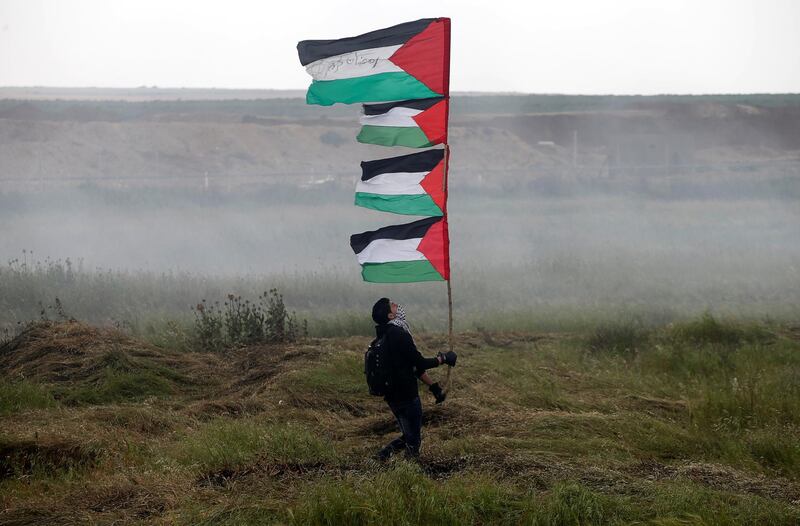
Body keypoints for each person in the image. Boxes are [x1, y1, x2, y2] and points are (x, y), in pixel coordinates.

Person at [371, 297, 457, 461]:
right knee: (413, 441)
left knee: (408, 435)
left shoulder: (383, 334)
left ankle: (381, 458)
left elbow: (411, 366)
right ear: (390, 316)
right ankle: (410, 471)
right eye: (393, 305)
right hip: (407, 396)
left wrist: (433, 387)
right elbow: (419, 362)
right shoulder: (399, 334)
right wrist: (443, 359)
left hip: (392, 397)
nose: (397, 305)